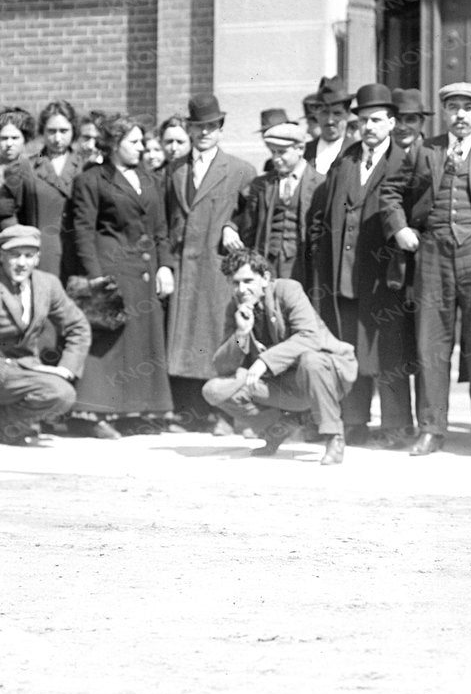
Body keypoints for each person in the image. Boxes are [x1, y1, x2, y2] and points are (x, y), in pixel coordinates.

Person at [381, 81, 471, 458]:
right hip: (433, 254)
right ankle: (431, 428)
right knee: (432, 343)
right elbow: (391, 192)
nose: (460, 115)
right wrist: (400, 228)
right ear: (445, 112)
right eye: (454, 108)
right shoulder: (425, 149)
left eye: (468, 108)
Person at [312, 84, 419, 448]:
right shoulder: (345, 161)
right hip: (345, 273)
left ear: (391, 122)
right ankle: (354, 421)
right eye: (363, 121)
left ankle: (397, 426)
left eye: (376, 120)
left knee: (389, 350)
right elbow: (324, 212)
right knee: (349, 347)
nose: (368, 127)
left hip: (387, 275)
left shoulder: (405, 161)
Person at [67, 115, 174, 436]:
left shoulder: (150, 179)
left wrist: (165, 265)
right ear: (114, 144)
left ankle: (135, 411)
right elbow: (83, 231)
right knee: (110, 343)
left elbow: (160, 229)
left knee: (140, 343)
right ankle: (94, 414)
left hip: (145, 272)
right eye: (134, 142)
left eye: (142, 141)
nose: (142, 148)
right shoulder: (92, 180)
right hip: (112, 270)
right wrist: (96, 278)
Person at [202, 251, 357, 465]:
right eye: (236, 283)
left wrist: (264, 361)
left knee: (311, 361)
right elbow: (223, 367)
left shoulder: (287, 290)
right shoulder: (235, 308)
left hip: (328, 375)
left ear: (265, 278)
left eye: (248, 281)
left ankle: (334, 436)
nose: (242, 289)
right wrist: (240, 334)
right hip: (285, 383)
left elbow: (309, 336)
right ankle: (280, 427)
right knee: (214, 389)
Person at [0, 225, 90, 454]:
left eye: (28, 256)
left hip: (21, 370)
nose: (22, 263)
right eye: (15, 255)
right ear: (2, 256)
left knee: (63, 394)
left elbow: (78, 325)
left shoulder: (47, 284)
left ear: (37, 258)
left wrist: (67, 367)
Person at [164, 92, 256, 431]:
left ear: (221, 128)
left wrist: (233, 226)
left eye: (212, 126)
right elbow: (165, 220)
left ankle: (223, 413)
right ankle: (190, 413)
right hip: (184, 265)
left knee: (217, 336)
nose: (204, 133)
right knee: (185, 339)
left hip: (217, 267)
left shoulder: (240, 171)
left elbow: (252, 217)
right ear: (189, 129)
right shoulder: (174, 170)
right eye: (199, 127)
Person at [0, 100, 84, 280]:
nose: (57, 138)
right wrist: (21, 242)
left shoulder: (85, 167)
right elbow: (3, 210)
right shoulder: (25, 167)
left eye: (64, 131)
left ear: (73, 131)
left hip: (78, 256)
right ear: (42, 132)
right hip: (41, 256)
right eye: (51, 131)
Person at [245, 118, 320, 284]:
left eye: (282, 152)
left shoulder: (320, 183)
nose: (276, 159)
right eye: (273, 152)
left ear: (300, 149)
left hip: (302, 267)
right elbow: (249, 228)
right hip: (267, 264)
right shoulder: (261, 184)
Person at [0, 105, 36, 201]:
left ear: (25, 139)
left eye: (15, 138)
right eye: (4, 138)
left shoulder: (35, 171)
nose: (9, 144)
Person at [304, 75, 352, 178]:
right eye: (324, 113)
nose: (330, 121)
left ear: (348, 114)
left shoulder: (356, 151)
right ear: (316, 114)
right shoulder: (304, 152)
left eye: (337, 113)